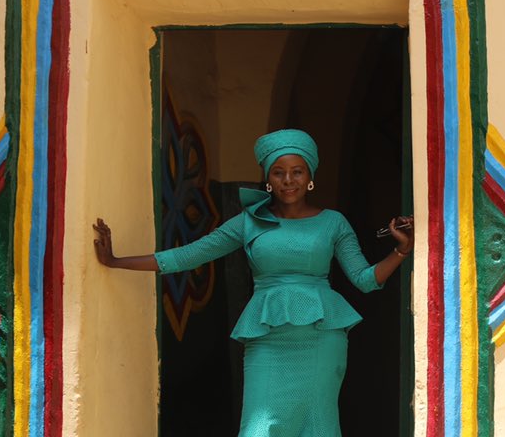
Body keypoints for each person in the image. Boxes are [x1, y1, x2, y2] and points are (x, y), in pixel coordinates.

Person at [92, 128, 414, 437]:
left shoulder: (333, 223)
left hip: (321, 342)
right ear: (268, 179)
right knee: (259, 429)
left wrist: (401, 250)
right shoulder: (249, 223)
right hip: (267, 341)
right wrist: (116, 261)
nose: (289, 180)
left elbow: (365, 279)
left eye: (298, 171)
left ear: (310, 176)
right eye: (279, 172)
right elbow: (190, 255)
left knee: (317, 428)